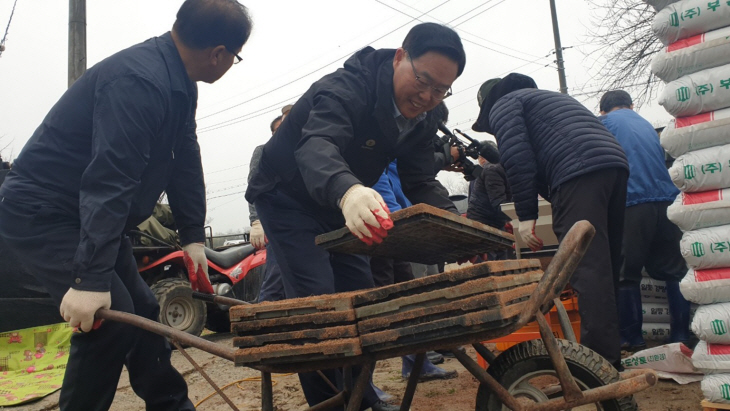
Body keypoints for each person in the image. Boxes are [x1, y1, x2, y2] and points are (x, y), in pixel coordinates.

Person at [0, 1, 252, 409]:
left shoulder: (179, 83)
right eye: (235, 57)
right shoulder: (139, 80)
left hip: (89, 217)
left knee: (145, 311)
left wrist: (191, 237)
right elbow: (110, 180)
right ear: (218, 54)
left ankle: (171, 405)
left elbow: (184, 157)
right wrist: (89, 281)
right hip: (43, 213)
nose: (230, 64)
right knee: (110, 322)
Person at [246, 22, 465, 410]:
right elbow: (316, 145)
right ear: (400, 57)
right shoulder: (349, 86)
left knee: (358, 296)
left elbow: (418, 179)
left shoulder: (427, 116)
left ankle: (359, 398)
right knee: (320, 306)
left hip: (338, 200)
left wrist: (455, 223)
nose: (427, 96)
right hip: (287, 194)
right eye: (423, 80)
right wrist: (347, 190)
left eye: (441, 89)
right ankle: (336, 404)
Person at [472, 73, 629, 370]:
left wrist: (526, 215)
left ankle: (600, 365)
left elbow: (517, 158)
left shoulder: (504, 104)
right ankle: (612, 352)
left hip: (577, 171)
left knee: (586, 267)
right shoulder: (548, 100)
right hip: (613, 165)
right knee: (605, 265)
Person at [599, 90, 690, 351]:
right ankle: (682, 334)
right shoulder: (647, 125)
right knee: (674, 271)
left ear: (604, 110)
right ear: (631, 104)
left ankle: (631, 338)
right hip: (667, 202)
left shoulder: (603, 123)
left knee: (626, 275)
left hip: (633, 201)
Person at [249, 109, 288, 302]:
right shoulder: (264, 152)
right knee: (276, 275)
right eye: (277, 129)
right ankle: (263, 323)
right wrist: (256, 221)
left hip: (301, 222)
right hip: (276, 223)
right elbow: (254, 187)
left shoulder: (301, 149)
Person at [466, 149, 514, 261]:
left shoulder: (497, 170)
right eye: (480, 157)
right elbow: (498, 203)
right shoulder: (492, 170)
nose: (481, 159)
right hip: (484, 221)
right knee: (489, 261)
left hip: (495, 220)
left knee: (501, 257)